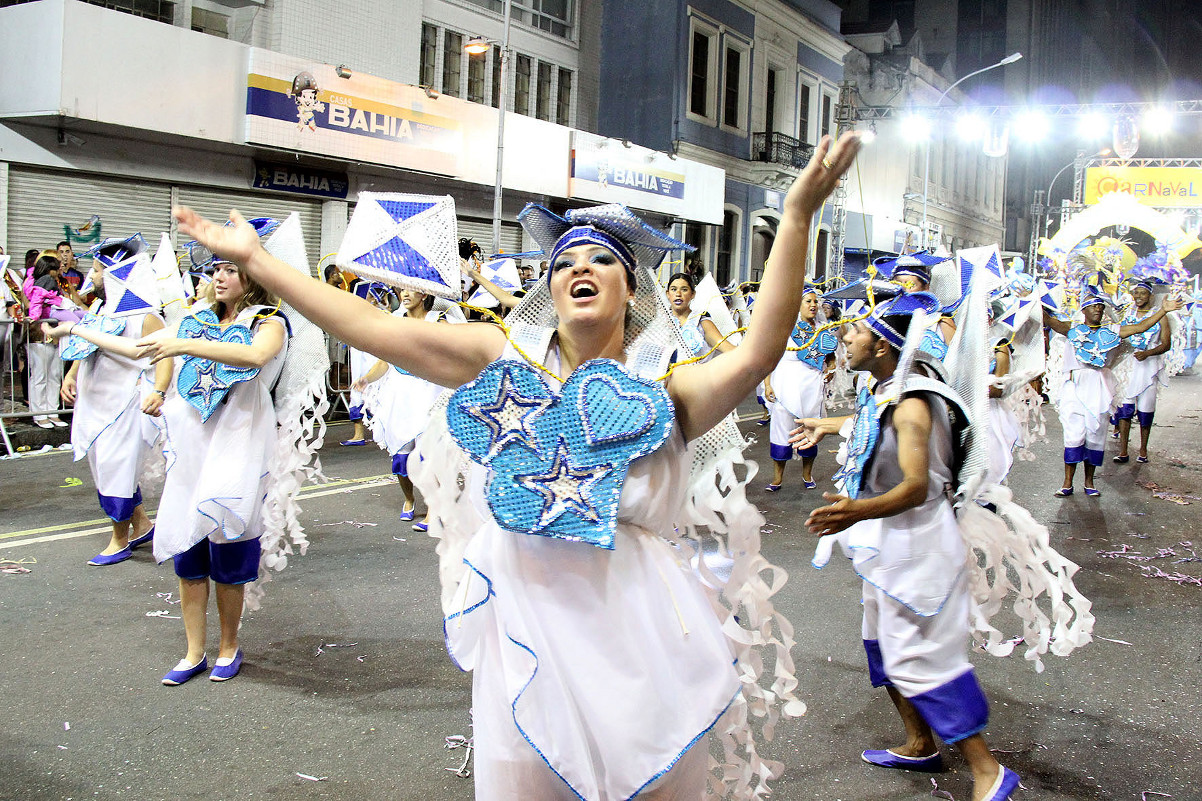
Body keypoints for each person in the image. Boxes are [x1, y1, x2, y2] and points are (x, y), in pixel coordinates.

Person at [173, 132, 863, 799]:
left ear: (633, 290)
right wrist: (260, 264)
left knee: (646, 775)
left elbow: (758, 351)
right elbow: (371, 327)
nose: (579, 271)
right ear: (549, 288)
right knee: (529, 771)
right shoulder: (503, 357)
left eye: (600, 261)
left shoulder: (668, 388)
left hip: (634, 617)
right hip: (527, 618)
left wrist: (798, 214)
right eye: (563, 263)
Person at [792, 292, 1019, 801]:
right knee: (882, 646)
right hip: (887, 546)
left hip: (915, 546)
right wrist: (824, 425)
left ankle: (988, 771)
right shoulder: (889, 389)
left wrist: (854, 511)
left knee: (919, 657)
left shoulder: (913, 403)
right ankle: (920, 744)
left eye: (855, 333)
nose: (844, 338)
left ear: (882, 346)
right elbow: (871, 423)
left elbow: (917, 485)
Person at [136, 251, 308, 685]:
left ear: (252, 276)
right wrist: (77, 332)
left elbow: (253, 357)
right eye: (215, 269)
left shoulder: (268, 321)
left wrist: (182, 343)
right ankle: (194, 651)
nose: (219, 276)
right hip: (194, 442)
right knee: (189, 551)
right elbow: (158, 353)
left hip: (241, 441)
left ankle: (229, 645)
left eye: (229, 269)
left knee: (229, 545)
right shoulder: (197, 318)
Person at [42, 253, 168, 565]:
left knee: (116, 469)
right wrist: (71, 376)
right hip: (95, 403)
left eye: (98, 271)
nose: (92, 276)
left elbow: (165, 356)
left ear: (117, 275)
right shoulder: (100, 307)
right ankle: (141, 525)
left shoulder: (147, 317)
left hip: (125, 405)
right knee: (105, 469)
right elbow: (88, 347)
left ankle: (119, 540)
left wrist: (159, 391)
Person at [1042, 287, 1181, 496]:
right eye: (1092, 306)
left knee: (1096, 435)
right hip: (1075, 388)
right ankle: (1067, 483)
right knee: (1073, 436)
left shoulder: (1112, 332)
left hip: (1100, 389)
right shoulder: (1072, 329)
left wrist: (1163, 311)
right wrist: (1032, 301)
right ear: (1084, 311)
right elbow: (1050, 321)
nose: (1097, 309)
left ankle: (1089, 483)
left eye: (1100, 306)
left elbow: (1140, 328)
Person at [355, 287, 456, 528]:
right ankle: (409, 499)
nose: (405, 295)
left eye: (412, 291)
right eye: (402, 291)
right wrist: (367, 379)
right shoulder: (394, 324)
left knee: (429, 454)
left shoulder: (438, 323)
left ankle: (433, 511)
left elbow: (453, 352)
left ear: (424, 295)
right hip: (402, 396)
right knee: (401, 459)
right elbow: (384, 362)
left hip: (430, 393)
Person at [762, 286, 837, 490]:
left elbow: (831, 358)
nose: (813, 305)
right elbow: (771, 358)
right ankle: (777, 477)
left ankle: (807, 474)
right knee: (780, 430)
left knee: (810, 428)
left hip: (811, 387)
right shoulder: (785, 328)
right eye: (808, 301)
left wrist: (831, 369)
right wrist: (768, 384)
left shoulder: (823, 330)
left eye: (815, 302)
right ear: (798, 305)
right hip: (784, 384)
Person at [1112, 279, 1173, 464]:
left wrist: (1148, 353)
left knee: (1146, 410)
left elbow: (1166, 344)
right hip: (1128, 366)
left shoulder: (1160, 316)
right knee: (1125, 408)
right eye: (1136, 293)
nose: (1138, 296)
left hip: (1148, 367)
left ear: (1151, 296)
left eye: (1143, 293)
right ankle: (1123, 451)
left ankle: (1143, 450)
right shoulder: (1127, 313)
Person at [665, 271, 733, 361]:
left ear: (692, 294)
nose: (678, 294)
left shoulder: (701, 321)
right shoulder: (660, 321)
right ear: (667, 294)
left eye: (684, 289)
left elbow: (727, 348)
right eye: (673, 289)